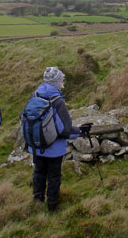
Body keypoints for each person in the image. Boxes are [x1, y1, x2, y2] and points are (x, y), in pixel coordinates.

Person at [25, 67, 81, 212]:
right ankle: (52, 206)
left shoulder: (34, 95)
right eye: (62, 79)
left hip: (36, 146)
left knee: (39, 172)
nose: (63, 81)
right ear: (56, 82)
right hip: (54, 149)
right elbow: (65, 130)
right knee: (54, 176)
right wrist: (80, 131)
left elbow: (24, 117)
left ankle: (37, 200)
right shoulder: (57, 101)